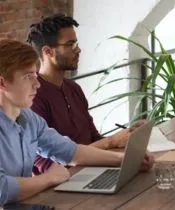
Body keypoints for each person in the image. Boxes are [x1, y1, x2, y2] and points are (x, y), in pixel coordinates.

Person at [0, 39, 153, 205]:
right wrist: (49, 178)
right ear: (2, 83)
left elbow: (70, 152)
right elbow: (2, 190)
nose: (37, 84)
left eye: (35, 75)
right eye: (28, 77)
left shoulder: (29, 119)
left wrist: (126, 159)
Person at [26, 14, 153, 174]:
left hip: (93, 170)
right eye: (70, 45)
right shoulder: (33, 96)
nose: (78, 49)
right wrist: (111, 142)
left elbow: (94, 138)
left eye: (76, 43)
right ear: (48, 52)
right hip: (60, 185)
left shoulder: (74, 88)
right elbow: (45, 166)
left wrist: (124, 137)